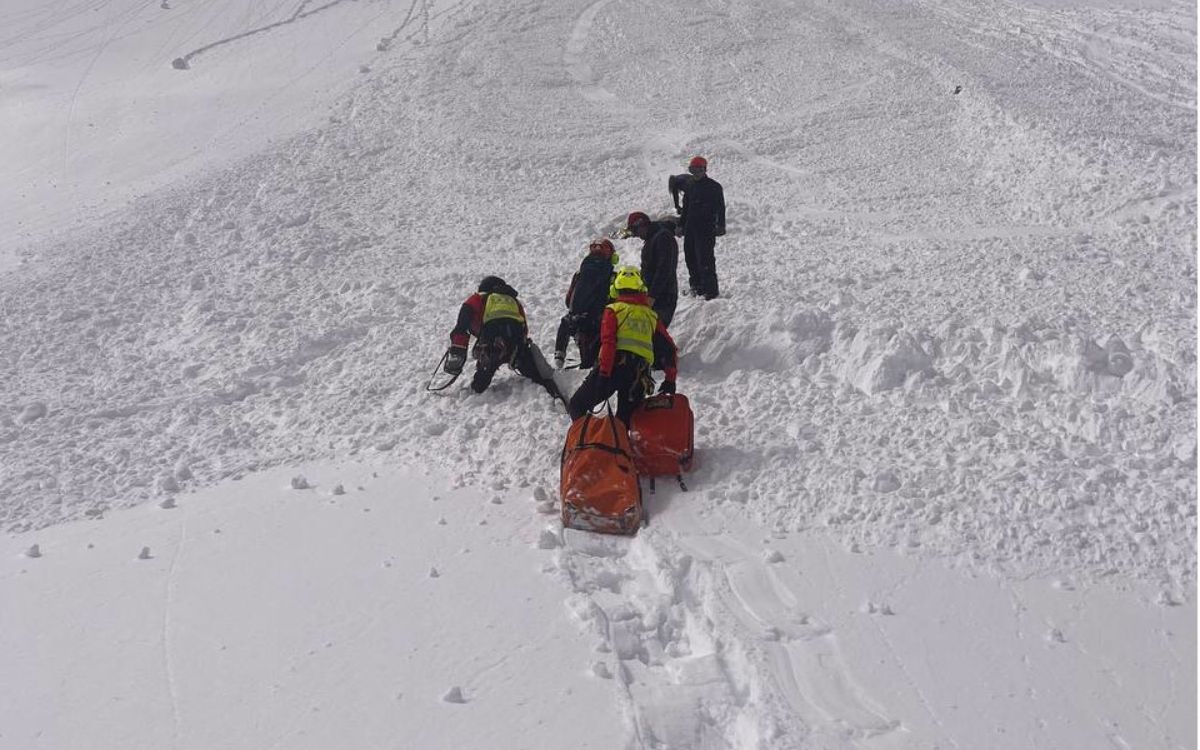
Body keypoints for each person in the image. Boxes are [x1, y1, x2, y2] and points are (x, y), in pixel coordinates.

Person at [568, 266, 678, 426]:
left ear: (616, 290)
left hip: (613, 368)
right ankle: (620, 447)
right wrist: (670, 380)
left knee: (577, 405)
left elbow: (608, 344)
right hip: (638, 375)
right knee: (626, 423)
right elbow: (669, 349)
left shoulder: (614, 310)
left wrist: (603, 375)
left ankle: (588, 442)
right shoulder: (651, 316)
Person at [444, 276, 561, 399]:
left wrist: (457, 353)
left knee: (479, 386)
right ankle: (554, 395)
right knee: (537, 377)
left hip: (492, 345)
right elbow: (524, 328)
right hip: (517, 346)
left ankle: (474, 393)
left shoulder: (478, 298)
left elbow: (461, 327)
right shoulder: (513, 301)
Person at [553, 239, 619, 369]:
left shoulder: (579, 274)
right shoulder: (613, 276)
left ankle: (559, 356)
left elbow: (568, 301)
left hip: (575, 322)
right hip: (600, 324)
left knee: (566, 322)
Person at [677, 156, 726, 300]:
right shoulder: (690, 185)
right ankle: (696, 286)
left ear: (705, 169)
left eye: (699, 169)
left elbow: (720, 208)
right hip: (690, 229)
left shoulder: (714, 187)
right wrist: (680, 225)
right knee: (690, 258)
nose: (696, 172)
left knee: (705, 260)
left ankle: (711, 291)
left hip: (706, 230)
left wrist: (721, 225)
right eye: (693, 170)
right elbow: (686, 208)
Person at [625, 211, 679, 327]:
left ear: (642, 225)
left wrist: (652, 296)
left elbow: (664, 269)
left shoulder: (662, 237)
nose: (637, 236)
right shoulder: (652, 239)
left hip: (664, 295)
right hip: (654, 294)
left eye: (636, 231)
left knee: (656, 330)